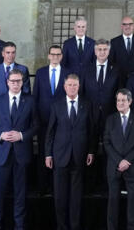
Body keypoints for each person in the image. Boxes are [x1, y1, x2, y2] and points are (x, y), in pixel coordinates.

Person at [0, 68, 37, 230]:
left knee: (20, 196)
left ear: (22, 82)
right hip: (1, 154)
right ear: (7, 82)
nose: (15, 84)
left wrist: (21, 135)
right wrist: (0, 135)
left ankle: (19, 226)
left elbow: (36, 126)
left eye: (18, 81)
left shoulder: (30, 101)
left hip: (21, 154)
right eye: (12, 81)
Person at [45, 74, 96, 230]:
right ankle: (62, 226)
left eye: (75, 85)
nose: (72, 88)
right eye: (69, 85)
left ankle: (74, 226)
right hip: (60, 156)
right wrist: (48, 154)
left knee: (76, 197)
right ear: (64, 86)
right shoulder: (56, 105)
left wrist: (91, 151)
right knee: (60, 196)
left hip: (79, 156)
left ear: (79, 86)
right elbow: (50, 132)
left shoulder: (87, 105)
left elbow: (91, 130)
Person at [103, 89, 134, 230]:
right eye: (118, 100)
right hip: (114, 166)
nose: (120, 103)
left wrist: (127, 161)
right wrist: (119, 161)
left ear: (130, 101)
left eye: (123, 100)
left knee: (133, 203)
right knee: (112, 202)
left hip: (133, 166)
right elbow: (107, 143)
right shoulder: (110, 119)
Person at [33, 44, 66, 194]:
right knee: (42, 154)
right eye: (52, 54)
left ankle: (56, 187)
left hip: (61, 122)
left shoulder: (68, 73)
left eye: (58, 54)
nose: (55, 57)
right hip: (43, 121)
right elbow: (35, 98)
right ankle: (42, 187)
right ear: (48, 56)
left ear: (61, 56)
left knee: (58, 153)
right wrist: (36, 120)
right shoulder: (40, 73)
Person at [80, 39, 119, 136]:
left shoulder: (116, 69)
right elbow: (81, 92)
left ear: (109, 51)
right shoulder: (86, 69)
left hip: (110, 113)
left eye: (105, 49)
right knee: (91, 146)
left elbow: (119, 90)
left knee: (109, 144)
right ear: (95, 51)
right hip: (90, 113)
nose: (102, 52)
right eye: (99, 49)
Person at [0, 42, 31, 116]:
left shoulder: (23, 69)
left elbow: (26, 93)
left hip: (17, 111)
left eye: (13, 52)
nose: (10, 55)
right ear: (3, 54)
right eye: (8, 52)